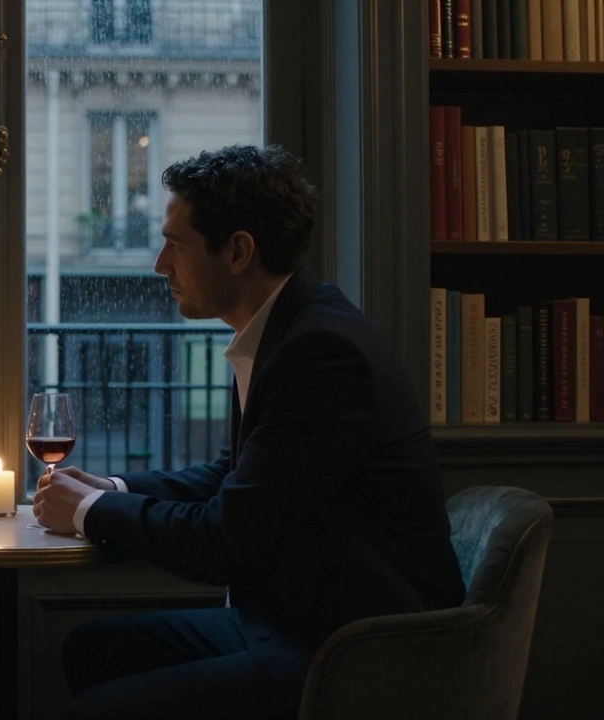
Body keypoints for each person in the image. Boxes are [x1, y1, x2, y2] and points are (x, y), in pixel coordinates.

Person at [32, 145, 465, 720]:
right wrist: (112, 489)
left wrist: (87, 512)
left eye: (176, 244)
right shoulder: (290, 330)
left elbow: (226, 539)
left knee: (103, 708)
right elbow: (229, 476)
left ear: (238, 251)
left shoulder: (323, 353)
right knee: (94, 649)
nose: (160, 264)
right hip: (298, 620)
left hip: (360, 650)